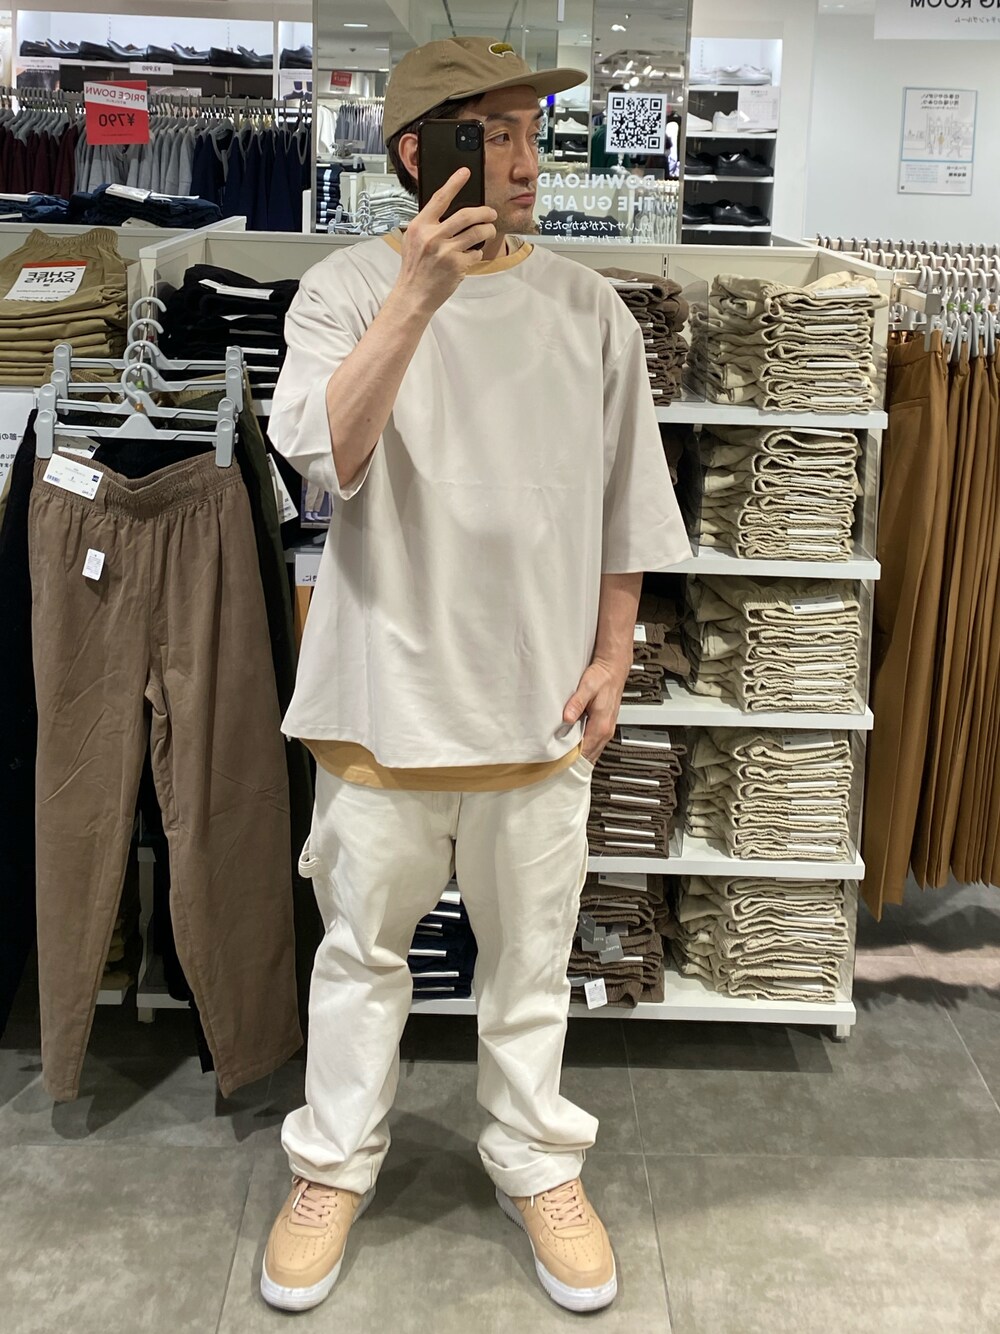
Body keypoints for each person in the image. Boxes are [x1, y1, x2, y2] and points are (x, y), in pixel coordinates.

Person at [262, 35, 690, 1316]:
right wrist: (416, 297)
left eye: (528, 133)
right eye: (493, 134)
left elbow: (628, 501)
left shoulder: (589, 308)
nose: (525, 160)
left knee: (529, 965)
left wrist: (613, 653)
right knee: (359, 958)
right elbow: (325, 458)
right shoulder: (342, 291)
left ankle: (536, 1159)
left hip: (536, 700)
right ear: (418, 152)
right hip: (379, 696)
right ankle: (331, 1164)